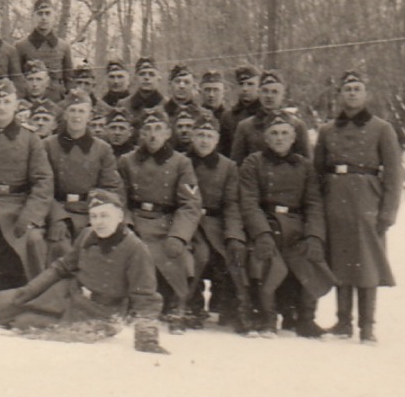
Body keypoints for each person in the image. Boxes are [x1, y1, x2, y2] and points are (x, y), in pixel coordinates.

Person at [0, 190, 164, 352]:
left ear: (119, 217)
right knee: (0, 301)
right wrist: (30, 290)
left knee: (24, 322)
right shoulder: (87, 235)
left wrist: (146, 338)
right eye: (93, 216)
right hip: (70, 295)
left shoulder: (135, 248)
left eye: (104, 216)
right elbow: (61, 267)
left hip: (101, 313)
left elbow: (146, 297)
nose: (98, 222)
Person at [313, 70, 402, 343]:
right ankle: (343, 322)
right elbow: (317, 173)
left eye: (357, 88)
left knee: (367, 263)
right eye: (347, 89)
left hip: (367, 201)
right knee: (340, 261)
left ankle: (367, 325)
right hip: (335, 201)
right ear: (340, 95)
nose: (352, 93)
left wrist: (388, 211)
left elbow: (394, 173)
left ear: (366, 95)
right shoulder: (327, 130)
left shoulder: (382, 128)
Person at [238, 112, 333, 337]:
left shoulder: (305, 166)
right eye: (274, 133)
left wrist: (314, 236)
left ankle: (306, 318)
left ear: (293, 139)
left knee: (312, 254)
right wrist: (260, 232)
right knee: (265, 256)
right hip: (267, 221)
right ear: (266, 138)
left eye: (284, 134)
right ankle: (268, 317)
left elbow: (313, 204)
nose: (279, 138)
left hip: (296, 225)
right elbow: (249, 202)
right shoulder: (254, 162)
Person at [116, 109, 203, 332]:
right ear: (140, 134)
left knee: (178, 253)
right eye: (147, 129)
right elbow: (119, 197)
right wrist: (125, 223)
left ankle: (177, 305)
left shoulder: (181, 163)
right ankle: (132, 304)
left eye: (158, 129)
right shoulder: (127, 161)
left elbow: (190, 203)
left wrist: (179, 234)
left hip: (166, 222)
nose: (153, 134)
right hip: (136, 220)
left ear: (167, 133)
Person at [0, 79, 54, 297]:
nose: (1, 107)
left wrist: (31, 215)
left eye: (6, 101)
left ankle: (34, 296)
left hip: (19, 204)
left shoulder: (30, 138)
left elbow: (43, 180)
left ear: (15, 105)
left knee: (33, 240)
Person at [185, 112, 249, 332]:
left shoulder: (228, 167)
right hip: (189, 223)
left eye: (209, 135)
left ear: (217, 139)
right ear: (192, 137)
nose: (204, 140)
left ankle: (231, 307)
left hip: (216, 223)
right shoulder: (181, 162)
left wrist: (233, 234)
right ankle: (190, 305)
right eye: (200, 134)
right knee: (195, 255)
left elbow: (231, 204)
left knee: (231, 254)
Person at [43, 90, 122, 261]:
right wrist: (56, 217)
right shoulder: (48, 146)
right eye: (72, 110)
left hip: (90, 212)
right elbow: (42, 187)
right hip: (59, 210)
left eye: (81, 111)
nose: (76, 116)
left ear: (90, 116)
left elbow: (110, 188)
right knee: (57, 247)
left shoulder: (102, 149)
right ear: (65, 114)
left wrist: (97, 216)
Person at [230, 69, 312, 165]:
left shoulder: (297, 126)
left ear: (283, 96)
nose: (269, 96)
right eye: (265, 91)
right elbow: (237, 164)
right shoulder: (245, 127)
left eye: (275, 92)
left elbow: (306, 165)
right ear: (259, 93)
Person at [12, 0, 73, 92]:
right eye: (40, 14)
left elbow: (69, 81)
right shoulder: (20, 46)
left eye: (47, 13)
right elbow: (17, 80)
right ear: (33, 16)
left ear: (54, 17)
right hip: (30, 100)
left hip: (56, 100)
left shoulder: (64, 47)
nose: (44, 17)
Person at [198, 70, 237, 157]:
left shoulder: (231, 118)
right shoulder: (195, 116)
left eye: (216, 90)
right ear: (200, 92)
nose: (211, 95)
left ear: (224, 92)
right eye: (207, 90)